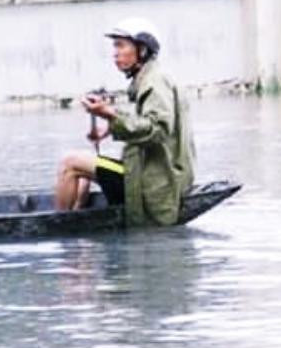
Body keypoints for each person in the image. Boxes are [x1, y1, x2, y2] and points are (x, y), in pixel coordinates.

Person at [54, 17, 195, 226]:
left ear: (142, 50)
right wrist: (109, 128)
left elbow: (158, 130)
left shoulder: (154, 81)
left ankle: (58, 227)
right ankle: (74, 220)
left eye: (121, 46)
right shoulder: (151, 77)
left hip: (155, 182)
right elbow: (145, 121)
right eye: (115, 47)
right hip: (149, 172)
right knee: (82, 175)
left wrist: (110, 114)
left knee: (69, 163)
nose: (115, 53)